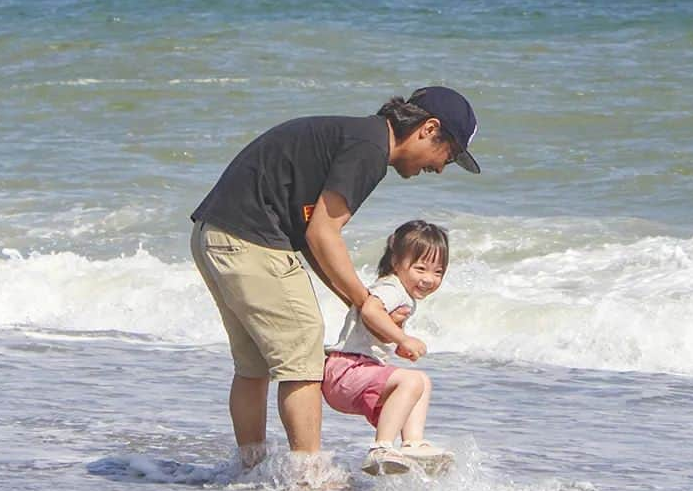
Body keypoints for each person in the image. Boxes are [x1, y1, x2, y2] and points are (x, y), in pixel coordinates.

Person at [190, 87, 479, 464]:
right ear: (428, 128)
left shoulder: (359, 136)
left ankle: (250, 467)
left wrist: (360, 304)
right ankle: (308, 473)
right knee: (304, 354)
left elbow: (312, 238)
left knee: (254, 365)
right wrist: (367, 304)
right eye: (449, 154)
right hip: (250, 239)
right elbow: (323, 233)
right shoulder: (370, 150)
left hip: (214, 234)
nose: (441, 167)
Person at [322, 220, 451, 475]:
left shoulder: (402, 293)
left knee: (422, 381)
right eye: (421, 268)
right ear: (396, 263)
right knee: (412, 381)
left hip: (359, 372)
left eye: (438, 272)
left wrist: (396, 340)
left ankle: (412, 443)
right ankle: (381, 447)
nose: (428, 279)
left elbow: (374, 326)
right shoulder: (392, 287)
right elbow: (371, 310)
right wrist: (403, 339)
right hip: (347, 369)